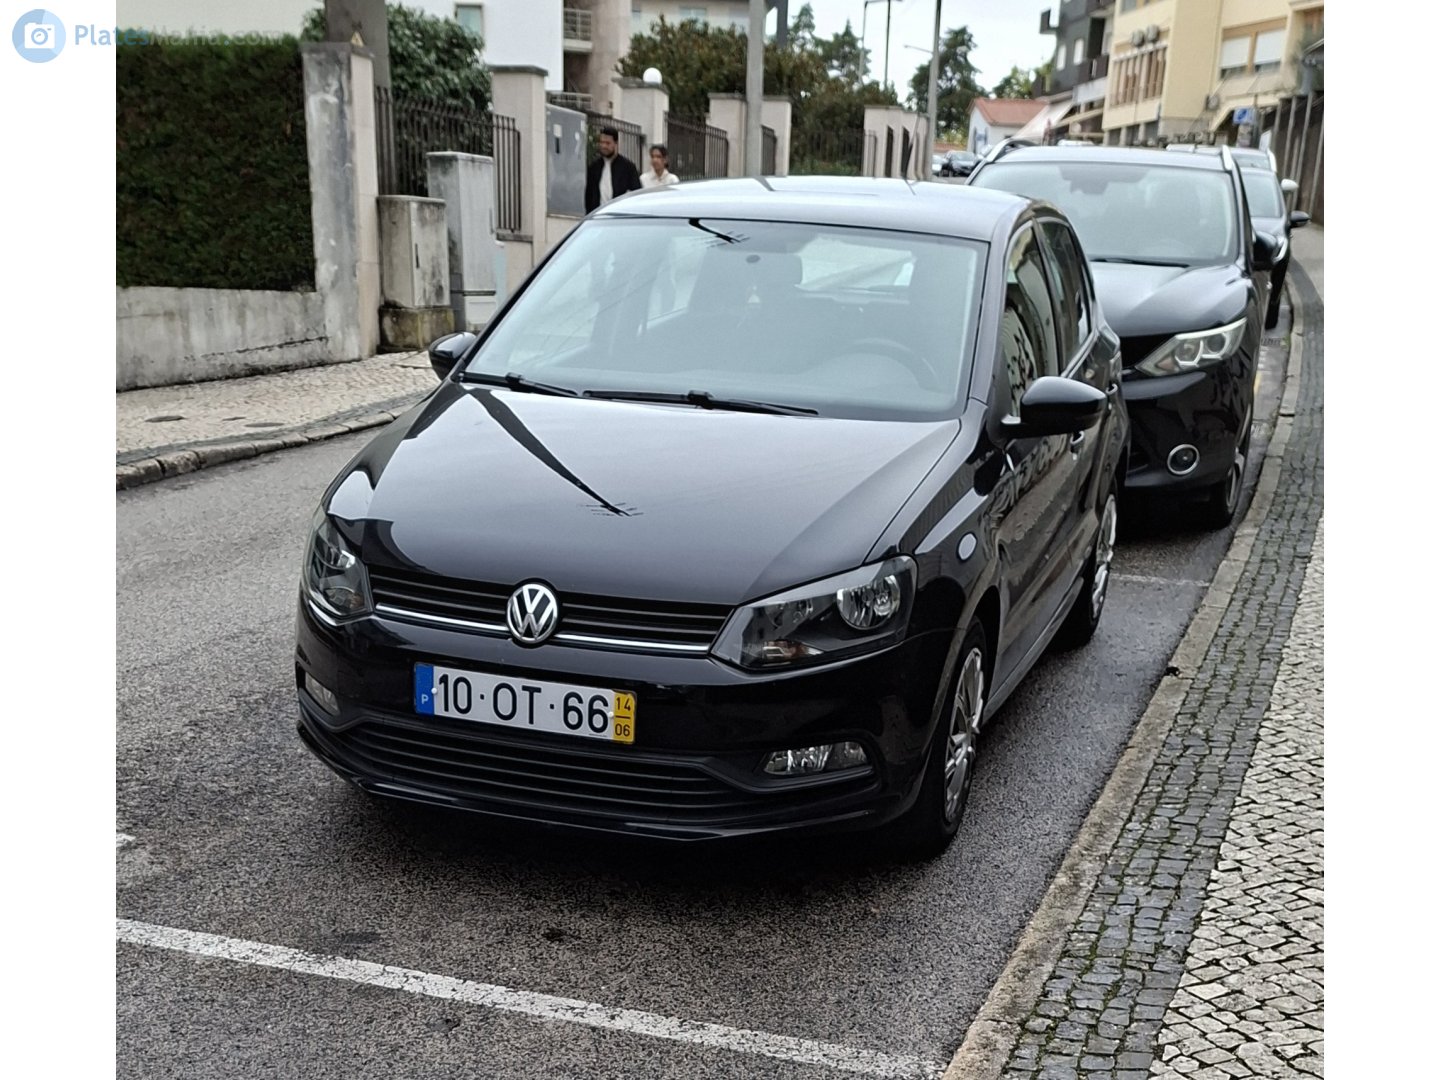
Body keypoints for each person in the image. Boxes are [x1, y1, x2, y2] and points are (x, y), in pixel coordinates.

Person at [584, 126, 643, 213]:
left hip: (619, 216)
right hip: (598, 215)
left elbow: (636, 194)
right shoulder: (594, 167)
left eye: (607, 143)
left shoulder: (628, 167)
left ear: (616, 143)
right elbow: (588, 196)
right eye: (601, 142)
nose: (604, 146)